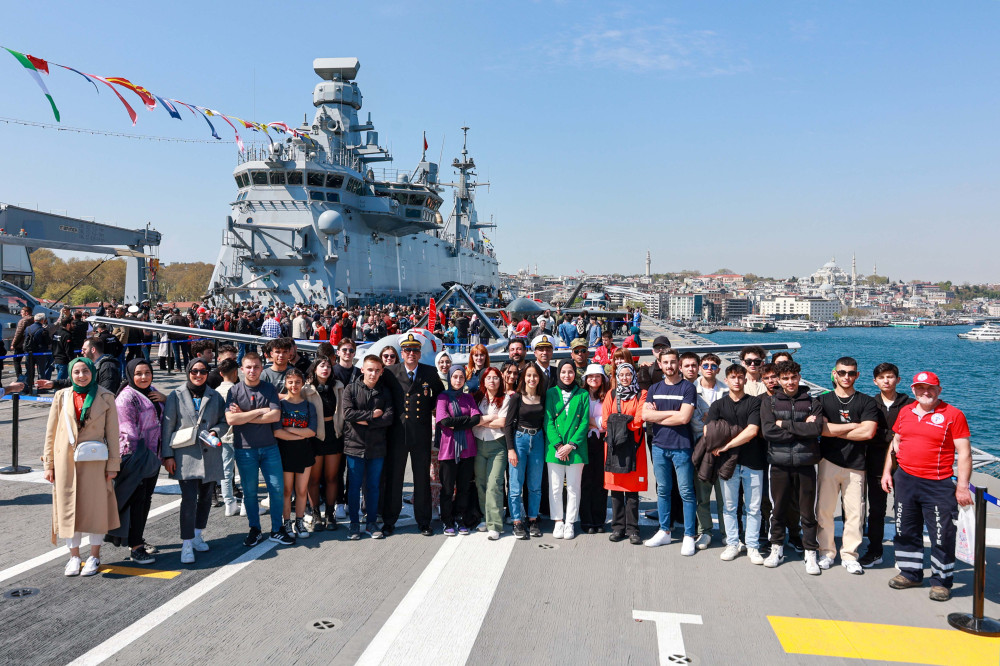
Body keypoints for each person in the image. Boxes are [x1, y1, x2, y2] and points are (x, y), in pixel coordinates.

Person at [882, 371, 972, 602]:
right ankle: (910, 573)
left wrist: (962, 486)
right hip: (906, 480)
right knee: (905, 529)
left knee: (941, 534)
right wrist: (887, 472)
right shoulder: (905, 411)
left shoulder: (953, 415)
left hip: (938, 483)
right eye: (920, 388)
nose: (925, 392)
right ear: (913, 390)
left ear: (939, 390)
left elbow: (964, 453)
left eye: (930, 388)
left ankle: (941, 582)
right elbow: (896, 442)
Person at [44, 357, 121, 577]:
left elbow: (113, 434)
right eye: (76, 372)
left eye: (85, 371)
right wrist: (49, 464)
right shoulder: (62, 396)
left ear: (92, 372)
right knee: (69, 509)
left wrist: (112, 465)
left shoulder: (106, 396)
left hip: (95, 461)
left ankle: (94, 555)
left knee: (96, 509)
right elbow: (50, 434)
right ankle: (74, 556)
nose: (81, 376)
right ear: (70, 374)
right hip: (65, 461)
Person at [815, 357, 879, 575]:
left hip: (856, 465)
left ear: (857, 375)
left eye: (851, 373)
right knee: (824, 510)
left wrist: (836, 428)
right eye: (842, 373)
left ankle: (850, 555)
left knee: (855, 514)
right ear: (835, 373)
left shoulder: (867, 402)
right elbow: (821, 430)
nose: (846, 377)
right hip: (828, 461)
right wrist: (853, 425)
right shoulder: (823, 401)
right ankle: (826, 551)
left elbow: (868, 432)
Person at [760, 360, 824, 574]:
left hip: (806, 463)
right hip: (779, 463)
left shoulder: (812, 401)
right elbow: (769, 432)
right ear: (778, 380)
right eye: (785, 378)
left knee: (807, 511)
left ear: (799, 377)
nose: (790, 382)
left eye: (793, 377)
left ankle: (810, 552)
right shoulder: (769, 403)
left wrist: (785, 424)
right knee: (777, 509)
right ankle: (776, 547)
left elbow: (815, 429)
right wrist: (802, 427)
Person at [161, 359, 227, 564]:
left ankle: (198, 535)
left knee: (206, 497)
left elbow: (224, 421)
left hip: (210, 455)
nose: (198, 375)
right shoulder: (176, 395)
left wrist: (216, 430)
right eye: (194, 371)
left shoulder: (215, 396)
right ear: (188, 372)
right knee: (189, 499)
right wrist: (168, 455)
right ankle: (187, 542)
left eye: (203, 371)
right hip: (185, 455)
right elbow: (168, 427)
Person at [225, 352, 291, 547]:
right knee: (250, 492)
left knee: (277, 489)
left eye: (256, 367)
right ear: (242, 369)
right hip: (245, 449)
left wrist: (244, 416)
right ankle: (255, 528)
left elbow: (275, 416)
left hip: (269, 447)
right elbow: (230, 420)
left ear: (261, 369)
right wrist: (258, 412)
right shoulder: (235, 391)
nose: (252, 370)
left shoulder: (269, 388)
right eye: (248, 367)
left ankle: (277, 529)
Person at [383, 334, 445, 536]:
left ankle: (424, 521)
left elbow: (439, 399)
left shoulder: (429, 372)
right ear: (402, 353)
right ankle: (390, 520)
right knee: (395, 478)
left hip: (421, 433)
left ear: (420, 353)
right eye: (408, 350)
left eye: (415, 350)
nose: (411, 354)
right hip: (398, 434)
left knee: (421, 479)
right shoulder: (390, 372)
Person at [705, 364, 764, 564]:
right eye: (733, 377)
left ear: (745, 380)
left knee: (753, 508)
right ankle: (732, 543)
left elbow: (752, 431)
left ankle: (753, 546)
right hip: (728, 463)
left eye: (740, 377)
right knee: (729, 507)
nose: (737, 381)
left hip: (753, 462)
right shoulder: (718, 405)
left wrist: (726, 443)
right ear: (727, 380)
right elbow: (708, 432)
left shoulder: (755, 403)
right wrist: (722, 442)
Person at [642, 349, 698, 555]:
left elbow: (684, 419)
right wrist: (671, 413)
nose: (669, 366)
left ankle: (689, 535)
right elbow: (645, 415)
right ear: (660, 363)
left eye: (673, 362)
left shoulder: (687, 388)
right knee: (663, 490)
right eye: (665, 362)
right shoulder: (654, 388)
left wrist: (658, 415)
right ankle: (664, 530)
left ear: (679, 364)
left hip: (681, 447)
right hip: (659, 446)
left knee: (686, 492)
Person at [112, 359, 166, 564]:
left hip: (152, 458)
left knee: (145, 501)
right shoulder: (126, 398)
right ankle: (135, 547)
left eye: (147, 372)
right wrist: (140, 458)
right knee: (136, 502)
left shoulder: (151, 391)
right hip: (135, 458)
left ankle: (138, 539)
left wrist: (166, 398)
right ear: (130, 375)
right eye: (138, 373)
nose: (143, 377)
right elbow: (128, 431)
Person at [860, 362, 911, 568]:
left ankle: (904, 553)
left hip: (905, 465)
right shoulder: (869, 403)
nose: (886, 381)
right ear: (875, 381)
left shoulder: (910, 404)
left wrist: (883, 435)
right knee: (876, 510)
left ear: (898, 380)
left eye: (890, 377)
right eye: (882, 377)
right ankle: (875, 550)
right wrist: (894, 435)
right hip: (875, 463)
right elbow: (868, 432)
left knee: (904, 510)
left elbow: (910, 433)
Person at [343, 355, 394, 540]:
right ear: (362, 369)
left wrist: (366, 421)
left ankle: (371, 523)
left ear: (381, 372)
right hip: (354, 446)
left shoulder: (385, 392)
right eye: (370, 369)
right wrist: (373, 415)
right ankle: (354, 524)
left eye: (377, 370)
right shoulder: (351, 389)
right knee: (354, 487)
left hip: (377, 447)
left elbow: (388, 418)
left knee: (372, 487)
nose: (373, 373)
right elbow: (348, 414)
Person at [602, 362, 647, 545]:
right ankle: (618, 527)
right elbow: (605, 421)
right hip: (614, 447)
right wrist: (623, 422)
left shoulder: (641, 394)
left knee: (632, 490)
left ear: (633, 376)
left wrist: (617, 422)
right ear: (617, 377)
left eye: (629, 374)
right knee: (616, 489)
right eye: (622, 375)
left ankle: (633, 529)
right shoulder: (611, 394)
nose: (625, 378)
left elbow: (638, 419)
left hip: (634, 445)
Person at [544, 360, 589, 540]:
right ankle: (558, 521)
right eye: (563, 372)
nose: (567, 375)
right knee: (555, 487)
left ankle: (570, 522)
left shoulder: (583, 394)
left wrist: (571, 445)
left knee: (573, 487)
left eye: (570, 372)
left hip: (575, 448)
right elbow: (548, 420)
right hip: (555, 448)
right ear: (558, 374)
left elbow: (584, 421)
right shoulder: (551, 393)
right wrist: (559, 445)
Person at [436, 366, 481, 536]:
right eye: (454, 377)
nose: (458, 380)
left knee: (463, 487)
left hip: (467, 450)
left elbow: (476, 418)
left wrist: (458, 422)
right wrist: (465, 420)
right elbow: (445, 421)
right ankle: (447, 519)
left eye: (461, 377)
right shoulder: (443, 397)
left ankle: (459, 517)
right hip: (449, 449)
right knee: (447, 488)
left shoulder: (469, 398)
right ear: (449, 378)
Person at [505, 364, 546, 539]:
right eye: (529, 375)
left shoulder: (542, 397)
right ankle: (516, 521)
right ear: (524, 378)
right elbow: (508, 424)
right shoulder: (517, 398)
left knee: (535, 485)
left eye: (535, 376)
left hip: (537, 440)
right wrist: (511, 449)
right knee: (515, 485)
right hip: (519, 440)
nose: (532, 379)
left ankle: (532, 519)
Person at [274, 368, 317, 540]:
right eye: (290, 382)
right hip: (284, 452)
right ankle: (286, 521)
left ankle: (299, 521)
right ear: (285, 384)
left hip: (304, 452)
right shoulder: (280, 405)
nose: (294, 385)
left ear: (303, 383)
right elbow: (277, 432)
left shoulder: (308, 406)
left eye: (297, 382)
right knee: (286, 490)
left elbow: (312, 432)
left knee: (301, 490)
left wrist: (290, 429)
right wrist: (300, 432)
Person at [303, 357, 345, 531]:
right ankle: (315, 514)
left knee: (332, 477)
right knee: (313, 479)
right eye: (322, 366)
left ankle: (329, 513)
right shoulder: (306, 389)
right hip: (314, 436)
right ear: (314, 369)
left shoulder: (338, 386)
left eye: (328, 366)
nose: (325, 369)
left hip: (334, 434)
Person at [692, 352, 727, 551]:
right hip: (701, 447)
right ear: (700, 368)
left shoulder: (726, 389)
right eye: (705, 365)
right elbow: (692, 421)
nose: (709, 369)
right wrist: (714, 422)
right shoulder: (691, 389)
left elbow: (730, 420)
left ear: (718, 370)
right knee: (702, 495)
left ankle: (726, 532)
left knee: (724, 497)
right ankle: (705, 531)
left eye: (713, 366)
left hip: (722, 450)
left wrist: (709, 420)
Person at [473, 367, 510, 540]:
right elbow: (473, 421)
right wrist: (488, 419)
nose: (492, 381)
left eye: (495, 378)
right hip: (479, 444)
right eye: (489, 378)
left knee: (494, 483)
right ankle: (485, 518)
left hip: (497, 445)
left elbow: (502, 422)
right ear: (483, 381)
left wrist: (481, 421)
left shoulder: (506, 398)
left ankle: (495, 524)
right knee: (481, 483)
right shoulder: (477, 398)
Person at [580, 364, 609, 533]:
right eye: (590, 376)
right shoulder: (581, 395)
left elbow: (606, 422)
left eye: (597, 376)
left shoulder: (607, 396)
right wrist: (595, 422)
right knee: (585, 482)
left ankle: (599, 520)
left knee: (600, 482)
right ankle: (586, 520)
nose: (593, 379)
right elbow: (580, 420)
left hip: (602, 442)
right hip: (584, 441)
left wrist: (591, 422)